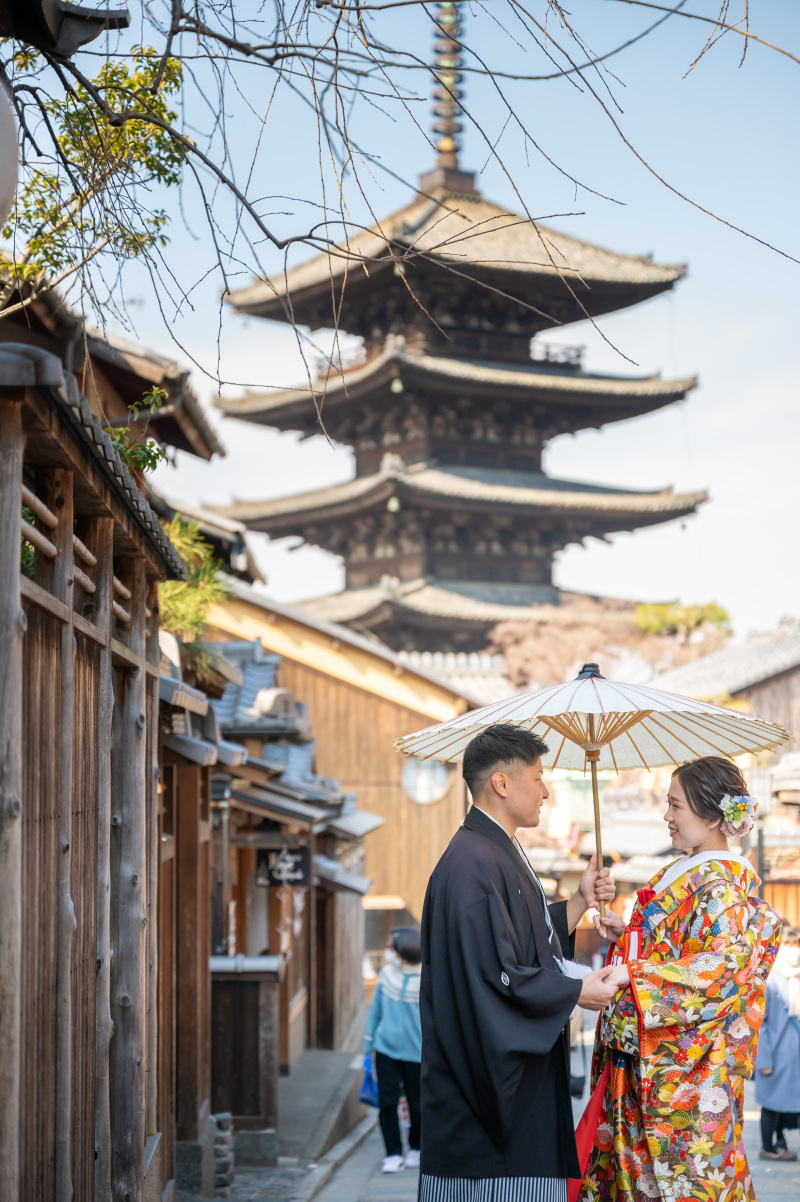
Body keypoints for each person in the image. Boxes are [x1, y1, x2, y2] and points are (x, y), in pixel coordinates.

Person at [419, 724, 620, 1202]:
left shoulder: (493, 849)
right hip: (483, 1108)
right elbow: (491, 975)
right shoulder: (472, 862)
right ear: (501, 784)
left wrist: (577, 903)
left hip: (519, 1093)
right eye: (538, 776)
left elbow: (521, 938)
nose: (546, 790)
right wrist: (575, 992)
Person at [579, 756, 782, 1202]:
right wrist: (626, 934)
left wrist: (635, 971)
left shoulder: (724, 888)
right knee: (633, 1177)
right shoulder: (690, 873)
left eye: (676, 806)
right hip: (641, 1059)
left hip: (680, 1070)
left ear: (713, 815)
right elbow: (673, 950)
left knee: (683, 1180)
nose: (667, 817)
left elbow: (721, 972)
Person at [364, 925, 422, 1173]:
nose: (388, 951)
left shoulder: (427, 978)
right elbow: (375, 1010)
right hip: (385, 1049)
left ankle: (417, 1148)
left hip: (417, 1052)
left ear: (404, 950)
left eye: (391, 947)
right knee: (386, 1102)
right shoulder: (386, 974)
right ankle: (392, 1153)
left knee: (417, 1103)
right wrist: (367, 1046)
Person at [755, 927, 800, 1160]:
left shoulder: (798, 975)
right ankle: (767, 1147)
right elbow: (761, 1022)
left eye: (797, 945)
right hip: (774, 1053)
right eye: (789, 945)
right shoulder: (771, 979)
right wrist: (763, 1058)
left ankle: (781, 1143)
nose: (794, 951)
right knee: (771, 1103)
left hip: (794, 1056)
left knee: (786, 1102)